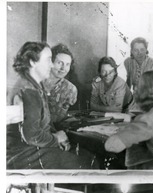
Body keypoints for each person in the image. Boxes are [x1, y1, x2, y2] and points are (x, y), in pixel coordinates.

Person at [7, 41, 95, 169]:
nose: (51, 64)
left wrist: (57, 136)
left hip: (28, 150)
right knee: (87, 164)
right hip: (23, 154)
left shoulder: (34, 85)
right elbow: (32, 136)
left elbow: (41, 125)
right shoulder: (29, 90)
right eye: (48, 60)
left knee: (86, 157)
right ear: (32, 62)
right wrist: (56, 138)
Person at [44, 43, 77, 125]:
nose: (63, 68)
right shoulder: (37, 82)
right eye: (60, 63)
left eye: (67, 64)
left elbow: (61, 118)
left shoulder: (71, 89)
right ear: (50, 63)